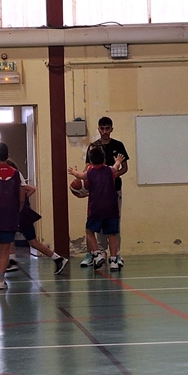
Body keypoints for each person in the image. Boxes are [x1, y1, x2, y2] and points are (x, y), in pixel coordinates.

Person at [81, 116, 130, 267]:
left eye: (107, 129)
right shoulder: (94, 146)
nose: (104, 132)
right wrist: (84, 185)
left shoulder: (118, 145)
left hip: (114, 191)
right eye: (102, 129)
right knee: (96, 223)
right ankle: (99, 253)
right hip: (97, 191)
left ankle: (117, 254)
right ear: (98, 129)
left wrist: (111, 177)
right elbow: (87, 168)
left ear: (111, 129)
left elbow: (124, 168)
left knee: (114, 222)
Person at [5, 159, 68, 275]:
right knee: (10, 237)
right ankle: (12, 260)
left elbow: (30, 191)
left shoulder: (17, 181)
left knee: (32, 242)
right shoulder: (12, 182)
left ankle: (58, 258)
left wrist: (22, 201)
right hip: (18, 213)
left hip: (22, 214)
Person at [69, 146, 126, 270]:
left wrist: (73, 172)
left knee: (89, 231)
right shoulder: (110, 170)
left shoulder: (89, 173)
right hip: (111, 208)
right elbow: (116, 167)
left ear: (90, 161)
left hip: (96, 208)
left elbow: (80, 176)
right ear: (104, 159)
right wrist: (118, 161)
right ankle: (114, 261)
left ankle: (96, 254)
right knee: (112, 235)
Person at [0, 142, 25, 290]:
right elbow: (22, 198)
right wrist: (16, 211)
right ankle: (0, 280)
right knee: (4, 249)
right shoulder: (17, 174)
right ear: (7, 156)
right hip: (10, 216)